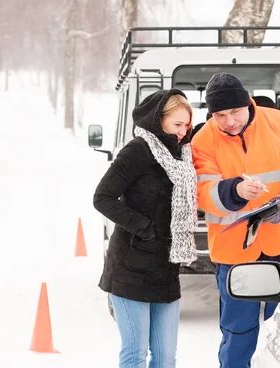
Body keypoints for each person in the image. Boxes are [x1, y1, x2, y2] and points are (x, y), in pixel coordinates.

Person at [190, 73, 280, 368]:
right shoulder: (203, 139)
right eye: (220, 115)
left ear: (248, 104)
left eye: (234, 112)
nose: (228, 121)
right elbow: (203, 192)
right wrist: (236, 190)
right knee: (237, 333)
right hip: (235, 254)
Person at [93, 88, 198, 368]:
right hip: (131, 269)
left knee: (165, 358)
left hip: (166, 271)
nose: (183, 131)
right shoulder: (137, 151)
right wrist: (145, 228)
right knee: (135, 355)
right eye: (178, 124)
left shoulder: (183, 155)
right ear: (158, 120)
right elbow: (102, 198)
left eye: (187, 125)